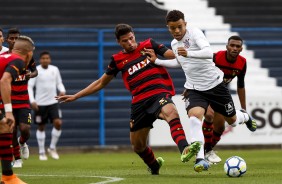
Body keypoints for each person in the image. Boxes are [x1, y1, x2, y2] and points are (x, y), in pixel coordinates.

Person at [56, 23, 202, 175]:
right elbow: (101, 82)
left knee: (171, 112)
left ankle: (184, 148)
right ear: (119, 42)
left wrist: (190, 53)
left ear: (134, 35)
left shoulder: (149, 45)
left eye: (131, 38)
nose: (130, 43)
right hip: (139, 102)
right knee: (138, 146)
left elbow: (174, 56)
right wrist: (76, 96)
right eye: (125, 41)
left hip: (159, 93)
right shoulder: (117, 60)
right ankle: (154, 166)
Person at [144, 10, 257, 172]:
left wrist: (189, 53)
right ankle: (200, 159)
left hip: (215, 85)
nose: (176, 31)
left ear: (185, 25)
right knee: (194, 118)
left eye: (179, 27)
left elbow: (207, 52)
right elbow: (180, 63)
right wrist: (158, 62)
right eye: (172, 28)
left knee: (232, 120)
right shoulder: (175, 44)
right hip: (194, 88)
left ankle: (244, 116)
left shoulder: (195, 33)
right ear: (168, 28)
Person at [201, 36, 249, 164]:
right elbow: (200, 71)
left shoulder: (242, 63)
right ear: (227, 46)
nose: (234, 48)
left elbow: (241, 85)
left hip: (220, 94)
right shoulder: (216, 57)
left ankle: (207, 151)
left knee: (220, 128)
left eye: (237, 46)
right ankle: (204, 151)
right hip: (205, 91)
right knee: (209, 115)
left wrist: (243, 108)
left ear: (241, 49)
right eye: (232, 45)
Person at [1, 28, 38, 168]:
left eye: (17, 38)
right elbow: (4, 81)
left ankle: (22, 142)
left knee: (25, 129)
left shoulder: (25, 59)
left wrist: (31, 74)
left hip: (23, 101)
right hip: (8, 100)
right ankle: (16, 159)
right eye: (11, 38)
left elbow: (35, 71)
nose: (14, 40)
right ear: (7, 40)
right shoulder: (6, 57)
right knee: (10, 130)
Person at [28, 51, 65, 161]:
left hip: (53, 102)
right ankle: (42, 151)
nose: (45, 60)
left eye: (47, 58)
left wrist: (62, 90)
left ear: (50, 59)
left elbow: (59, 83)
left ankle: (52, 148)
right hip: (40, 104)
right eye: (43, 58)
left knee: (58, 123)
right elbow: (29, 86)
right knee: (41, 127)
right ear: (40, 60)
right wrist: (32, 100)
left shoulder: (55, 69)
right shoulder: (36, 71)